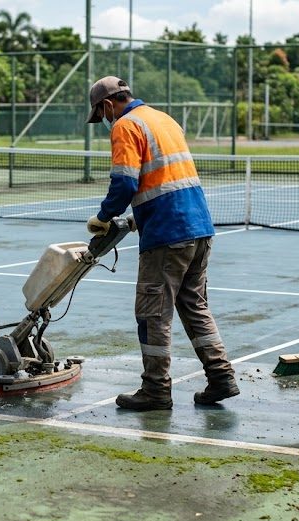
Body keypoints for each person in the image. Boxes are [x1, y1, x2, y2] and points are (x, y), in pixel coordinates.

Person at [84, 75, 238, 411]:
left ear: (109, 105)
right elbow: (167, 179)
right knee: (194, 306)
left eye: (103, 114)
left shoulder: (126, 126)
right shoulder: (163, 119)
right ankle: (221, 377)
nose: (106, 121)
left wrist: (104, 217)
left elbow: (124, 182)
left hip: (167, 234)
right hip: (198, 227)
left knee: (153, 313)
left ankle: (156, 389)